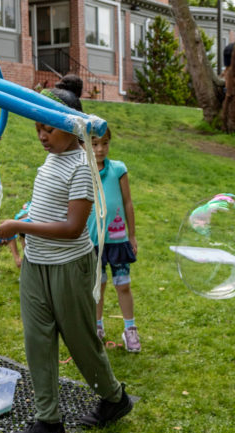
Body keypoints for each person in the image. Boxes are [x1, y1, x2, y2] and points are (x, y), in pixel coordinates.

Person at [0, 87, 132, 433]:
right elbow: (48, 213)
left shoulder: (83, 167)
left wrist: (19, 227)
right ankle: (48, 424)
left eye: (48, 129)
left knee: (81, 341)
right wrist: (25, 222)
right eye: (38, 128)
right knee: (37, 340)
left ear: (73, 128)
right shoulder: (51, 161)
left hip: (69, 266)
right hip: (37, 264)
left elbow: (72, 227)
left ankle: (115, 399)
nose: (41, 135)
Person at [87, 128, 140, 352]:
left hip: (117, 240)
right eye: (95, 144)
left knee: (123, 285)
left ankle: (130, 330)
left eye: (105, 143)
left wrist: (132, 234)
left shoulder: (119, 169)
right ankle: (97, 327)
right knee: (98, 286)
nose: (100, 149)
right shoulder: (82, 170)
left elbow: (127, 202)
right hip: (91, 242)